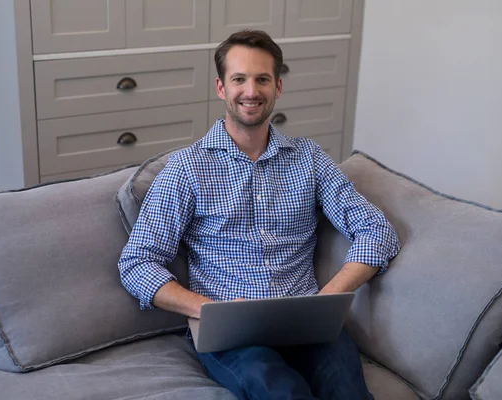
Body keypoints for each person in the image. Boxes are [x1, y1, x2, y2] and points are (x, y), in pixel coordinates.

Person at [119, 30, 401, 400]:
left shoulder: (309, 159)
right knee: (282, 393)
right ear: (221, 87)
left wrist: (327, 300)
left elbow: (377, 231)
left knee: (349, 394)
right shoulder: (187, 168)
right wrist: (208, 309)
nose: (251, 91)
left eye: (262, 79)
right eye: (239, 79)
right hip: (230, 333)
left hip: (307, 322)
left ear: (278, 87)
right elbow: (137, 263)